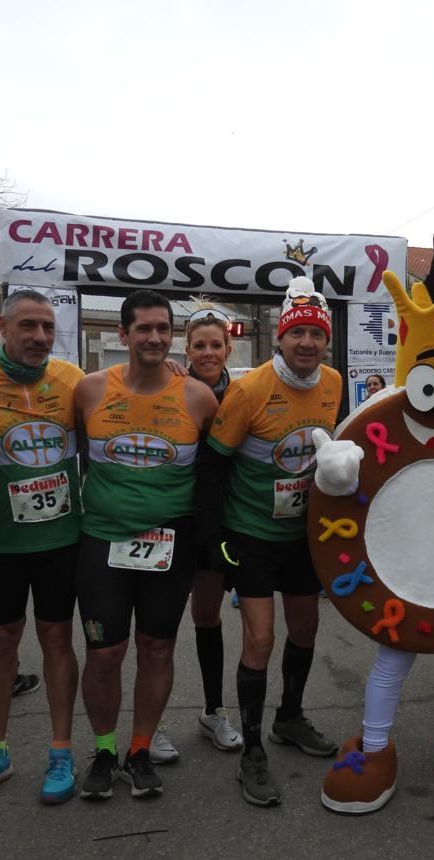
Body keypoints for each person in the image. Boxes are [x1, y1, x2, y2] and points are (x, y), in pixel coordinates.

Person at [198, 275, 342, 806]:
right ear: (280, 337)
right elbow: (213, 467)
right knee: (260, 637)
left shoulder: (335, 382)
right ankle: (252, 750)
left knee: (306, 627)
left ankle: (289, 717)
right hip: (252, 532)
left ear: (327, 342)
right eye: (297, 333)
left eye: (316, 335)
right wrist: (212, 540)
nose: (307, 343)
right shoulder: (251, 389)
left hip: (302, 533)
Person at [74, 290, 218, 801]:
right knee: (104, 654)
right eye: (143, 329)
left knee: (156, 648)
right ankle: (105, 749)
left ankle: (139, 749)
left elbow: (218, 472)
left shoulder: (198, 398)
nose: (154, 337)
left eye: (163, 329)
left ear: (172, 337)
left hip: (169, 540)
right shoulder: (89, 391)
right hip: (101, 539)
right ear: (123, 335)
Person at [0, 290, 85, 807]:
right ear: (3, 329)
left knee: (57, 638)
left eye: (48, 328)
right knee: (1, 641)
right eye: (28, 326)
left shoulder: (72, 381)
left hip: (60, 537)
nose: (39, 338)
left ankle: (60, 752)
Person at [169, 305, 243, 751]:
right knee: (157, 625)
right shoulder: (173, 385)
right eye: (200, 345)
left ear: (228, 348)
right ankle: (151, 720)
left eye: (216, 345)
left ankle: (213, 711)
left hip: (216, 520)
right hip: (173, 513)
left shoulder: (242, 392)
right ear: (187, 349)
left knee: (207, 617)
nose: (209, 352)